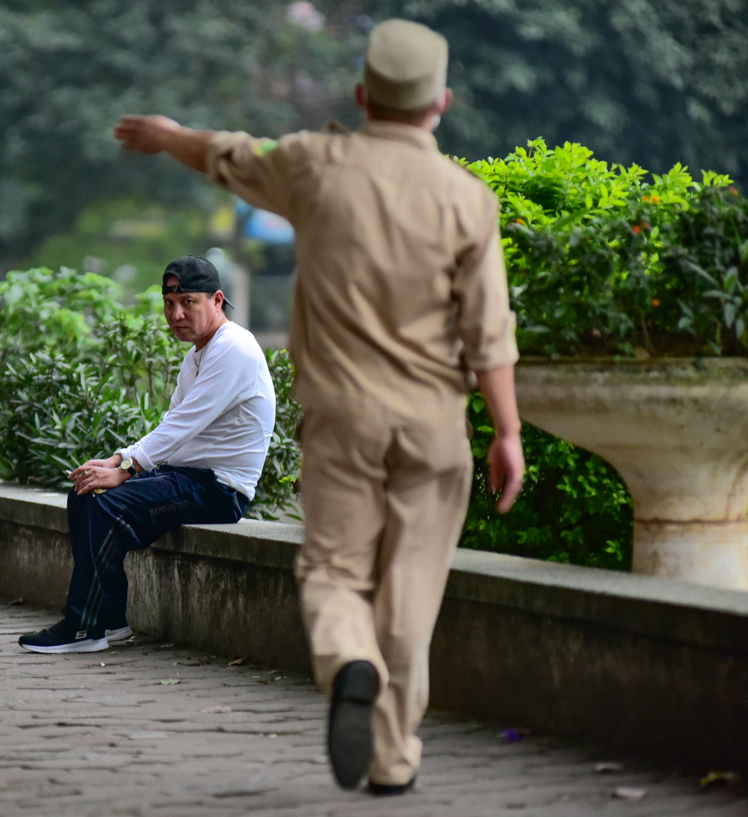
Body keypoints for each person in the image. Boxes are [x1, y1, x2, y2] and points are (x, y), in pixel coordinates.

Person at [113, 18, 524, 796]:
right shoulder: (468, 200)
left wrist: (168, 135)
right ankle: (393, 758)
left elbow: (228, 152)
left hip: (343, 424)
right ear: (443, 102)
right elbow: (489, 334)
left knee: (334, 571)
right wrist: (506, 431)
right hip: (436, 430)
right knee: (411, 591)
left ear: (363, 95)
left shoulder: (316, 166)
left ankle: (349, 662)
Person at [19, 255, 276, 654]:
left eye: (188, 302)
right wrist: (118, 458)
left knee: (105, 506)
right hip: (186, 478)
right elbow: (174, 423)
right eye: (169, 304)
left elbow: (183, 424)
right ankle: (111, 620)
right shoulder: (197, 356)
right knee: (89, 493)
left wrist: (127, 467)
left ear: (217, 300)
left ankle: (85, 625)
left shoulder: (234, 349)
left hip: (218, 489)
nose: (176, 314)